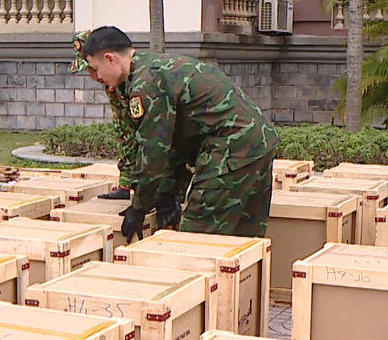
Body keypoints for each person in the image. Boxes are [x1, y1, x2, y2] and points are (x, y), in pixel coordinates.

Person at [81, 26, 279, 238]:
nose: (95, 77)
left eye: (95, 68)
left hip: (233, 147)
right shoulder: (156, 66)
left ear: (110, 58)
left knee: (195, 237)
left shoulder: (145, 83)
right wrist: (168, 192)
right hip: (258, 141)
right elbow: (178, 140)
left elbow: (153, 151)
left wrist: (139, 206)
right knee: (242, 238)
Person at [70, 30, 136, 199]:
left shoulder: (135, 81)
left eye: (94, 69)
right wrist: (125, 185)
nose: (95, 76)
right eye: (90, 71)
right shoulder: (113, 85)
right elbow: (124, 130)